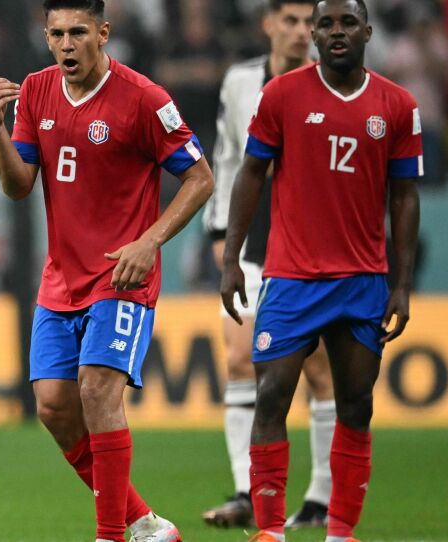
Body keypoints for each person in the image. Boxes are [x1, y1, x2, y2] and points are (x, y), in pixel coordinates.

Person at [0, 1, 214, 541]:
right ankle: (142, 521)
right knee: (53, 407)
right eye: (57, 34)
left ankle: (110, 533)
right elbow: (18, 186)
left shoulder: (144, 99)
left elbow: (200, 178)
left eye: (78, 33)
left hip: (122, 278)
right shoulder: (36, 92)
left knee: (96, 391)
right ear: (45, 36)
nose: (67, 44)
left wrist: (150, 241)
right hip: (61, 279)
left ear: (103, 33)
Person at [220, 1, 422, 541]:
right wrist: (232, 257)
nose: (335, 32)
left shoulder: (398, 105)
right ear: (313, 32)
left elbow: (404, 197)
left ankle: (339, 531)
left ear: (367, 32)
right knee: (271, 397)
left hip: (361, 280)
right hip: (292, 278)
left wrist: (401, 284)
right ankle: (268, 531)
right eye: (326, 23)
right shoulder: (282, 95)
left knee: (356, 405)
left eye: (347, 23)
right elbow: (250, 173)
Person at [201, 0, 335, 529]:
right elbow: (227, 155)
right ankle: (246, 491)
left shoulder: (334, 85)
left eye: (311, 23)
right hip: (255, 240)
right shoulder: (239, 82)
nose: (302, 32)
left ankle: (321, 497)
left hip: (315, 244)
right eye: (293, 21)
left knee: (319, 367)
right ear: (269, 24)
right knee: (238, 359)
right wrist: (219, 232)